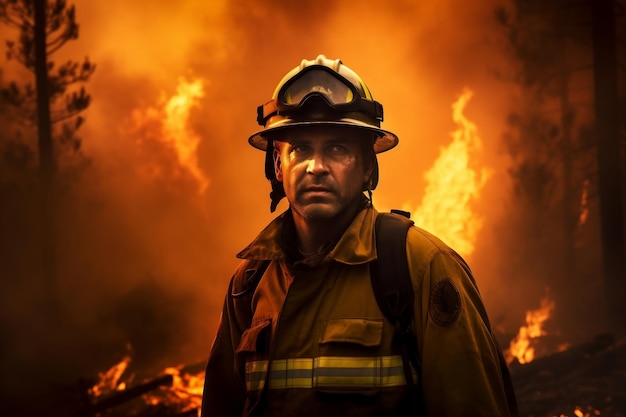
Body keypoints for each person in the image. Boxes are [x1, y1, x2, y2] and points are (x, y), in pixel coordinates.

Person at [201, 54, 517, 417]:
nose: (316, 167)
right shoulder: (251, 281)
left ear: (368, 166)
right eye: (300, 148)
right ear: (277, 164)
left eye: (337, 149)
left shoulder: (420, 268)